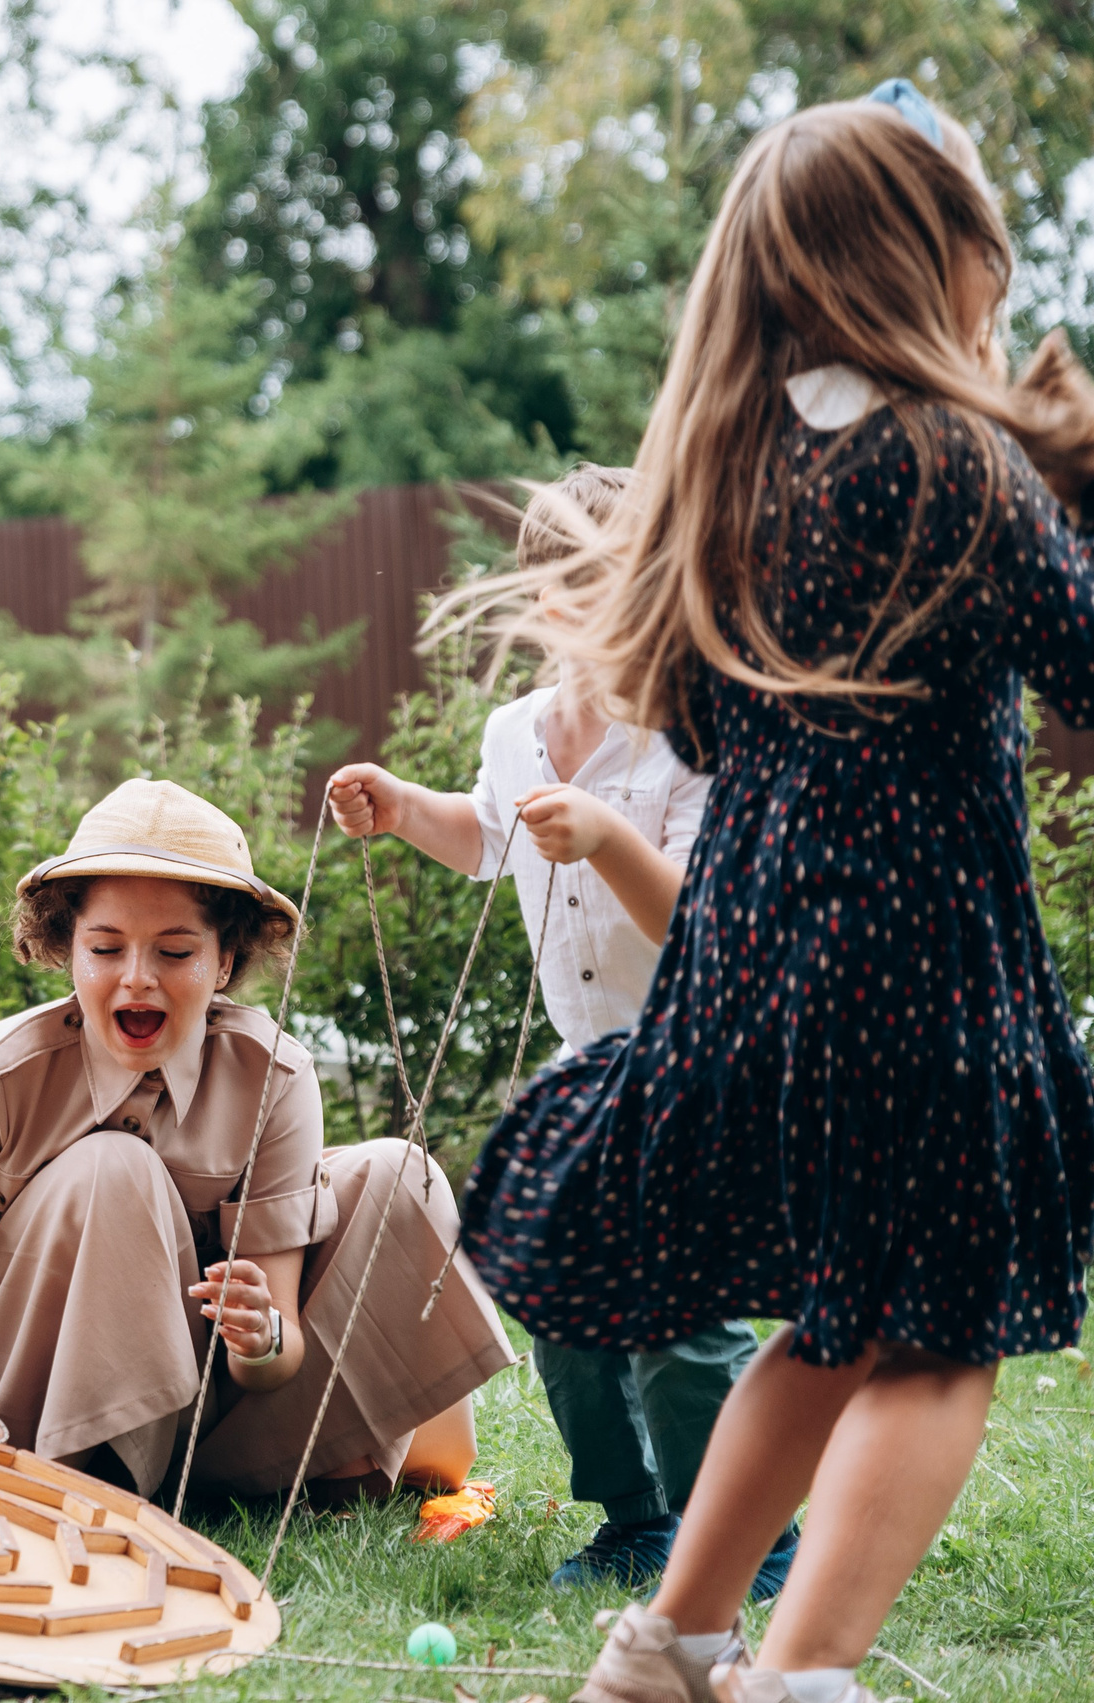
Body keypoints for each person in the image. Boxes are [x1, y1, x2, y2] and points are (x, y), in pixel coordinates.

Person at [451, 88, 1094, 1703]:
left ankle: (669, 1641)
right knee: (941, 1333)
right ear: (929, 259)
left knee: (835, 1314)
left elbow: (699, 723)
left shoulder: (727, 477)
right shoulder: (952, 458)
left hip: (752, 941)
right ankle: (802, 1672)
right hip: (920, 940)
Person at [326, 467, 795, 1600]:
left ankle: (744, 1534)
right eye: (579, 585)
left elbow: (697, 915)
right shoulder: (514, 731)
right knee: (563, 1305)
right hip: (586, 1066)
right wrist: (401, 807)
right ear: (539, 597)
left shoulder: (697, 733)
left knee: (676, 1322)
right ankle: (633, 1515)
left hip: (696, 1055)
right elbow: (484, 834)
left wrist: (602, 836)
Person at [0, 778, 517, 1502]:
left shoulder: (273, 1076)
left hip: (209, 1416)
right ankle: (102, 1472)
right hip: (29, 1414)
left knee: (394, 1171)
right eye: (106, 948)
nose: (137, 978)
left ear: (225, 962)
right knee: (116, 1169)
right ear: (66, 947)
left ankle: (306, 1470)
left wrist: (264, 1335)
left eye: (175, 952)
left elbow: (273, 1359)